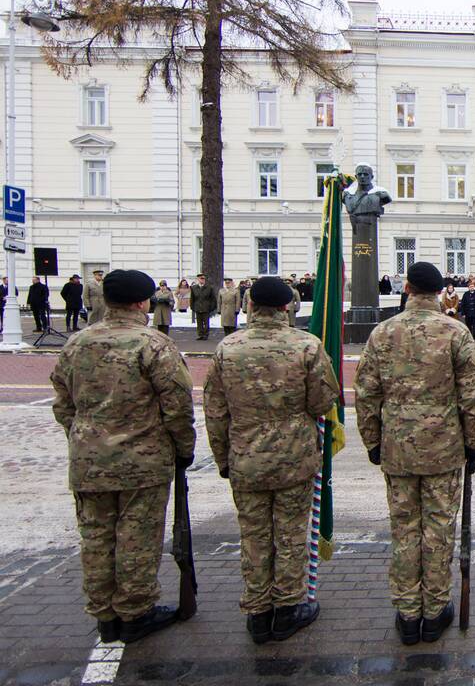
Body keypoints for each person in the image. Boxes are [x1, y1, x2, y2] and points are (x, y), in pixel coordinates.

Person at [50, 269, 196, 644]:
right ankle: (135, 611)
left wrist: (83, 439)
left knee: (96, 536)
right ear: (141, 302)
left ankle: (104, 614)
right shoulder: (154, 345)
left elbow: (63, 404)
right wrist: (183, 449)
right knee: (137, 537)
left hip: (89, 461)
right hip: (143, 462)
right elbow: (177, 406)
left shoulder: (76, 343)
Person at [354, 262, 475, 646]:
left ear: (408, 288)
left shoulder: (383, 333)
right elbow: (473, 397)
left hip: (397, 448)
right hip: (443, 450)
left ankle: (408, 613)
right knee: (438, 530)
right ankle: (434, 611)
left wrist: (373, 441)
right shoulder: (455, 331)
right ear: (441, 290)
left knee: (405, 529)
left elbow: (366, 393)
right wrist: (473, 443)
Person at [204, 276, 339, 644]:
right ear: (286, 308)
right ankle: (288, 608)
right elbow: (323, 402)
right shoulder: (305, 346)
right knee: (292, 533)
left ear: (248, 306)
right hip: (294, 456)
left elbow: (215, 412)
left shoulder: (227, 349)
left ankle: (258, 611)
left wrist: (223, 459)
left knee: (254, 536)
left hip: (245, 456)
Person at [190, 274, 216, 340]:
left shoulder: (209, 288)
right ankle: (200, 334)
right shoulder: (194, 288)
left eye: (203, 279)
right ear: (198, 279)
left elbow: (213, 299)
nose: (202, 280)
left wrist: (211, 307)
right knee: (199, 322)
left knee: (206, 322)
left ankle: (205, 335)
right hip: (198, 307)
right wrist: (192, 307)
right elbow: (192, 299)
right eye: (201, 279)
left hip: (206, 307)